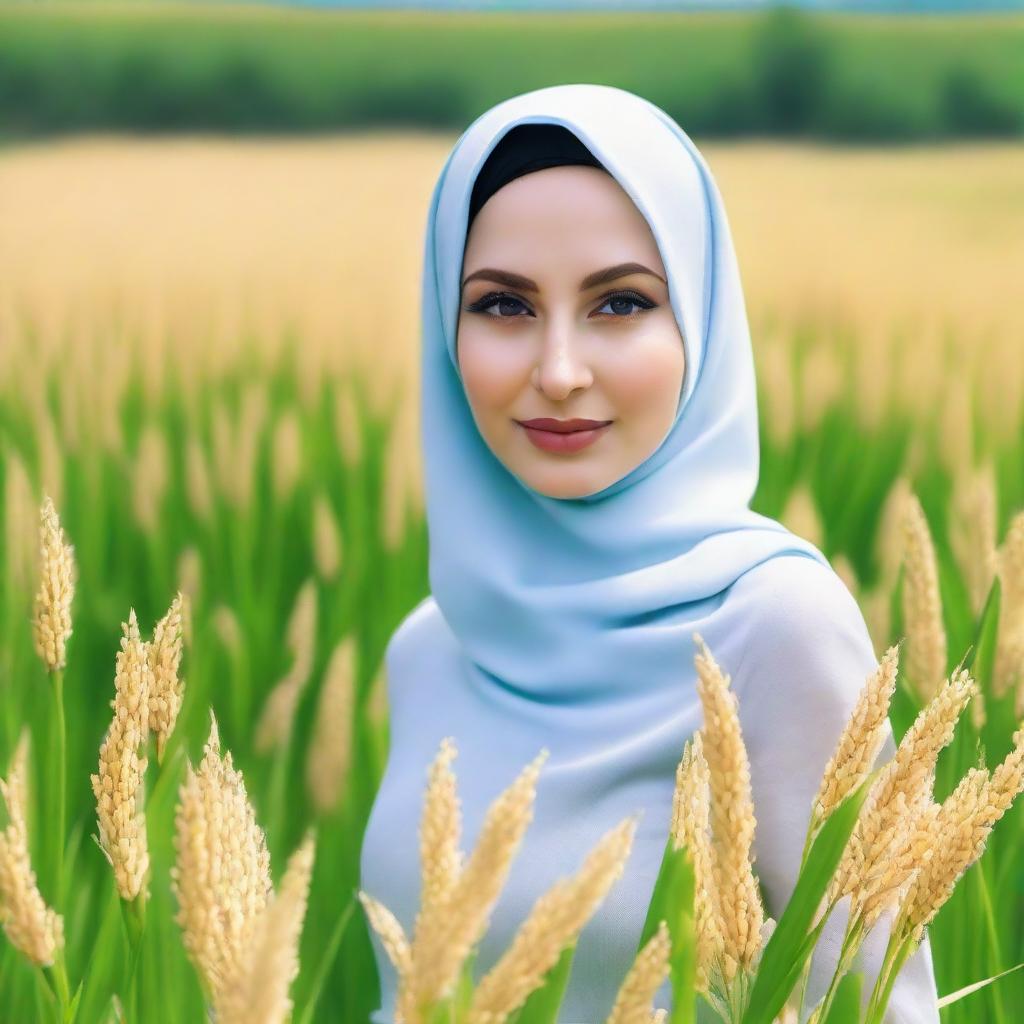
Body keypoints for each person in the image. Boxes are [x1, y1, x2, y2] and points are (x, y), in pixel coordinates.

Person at [359, 83, 941, 1024]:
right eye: (503, 306)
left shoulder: (773, 627)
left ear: (700, 326)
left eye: (620, 303)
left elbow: (882, 1009)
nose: (557, 370)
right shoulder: (433, 642)